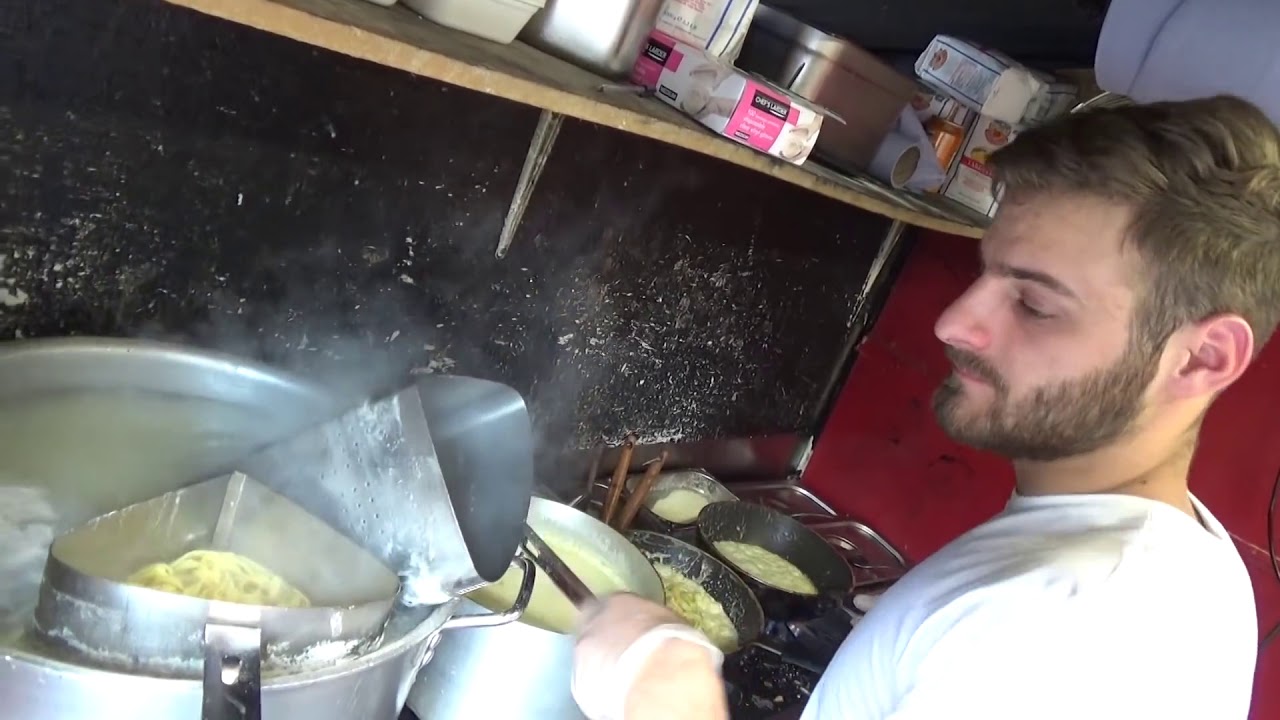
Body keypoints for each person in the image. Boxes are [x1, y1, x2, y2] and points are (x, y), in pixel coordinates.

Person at [570, 94, 1280, 720]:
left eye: (1033, 303)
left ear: (1203, 358)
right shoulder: (1181, 558)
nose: (953, 323)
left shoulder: (1060, 630)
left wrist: (664, 697)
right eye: (986, 272)